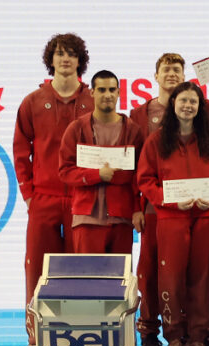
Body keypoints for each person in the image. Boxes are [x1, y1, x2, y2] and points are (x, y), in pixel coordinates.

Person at [137, 82, 209, 346]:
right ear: (173, 104)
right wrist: (168, 201)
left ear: (200, 106)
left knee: (202, 279)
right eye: (183, 101)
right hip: (170, 218)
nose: (188, 106)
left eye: (193, 101)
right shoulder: (156, 140)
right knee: (171, 279)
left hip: (204, 216)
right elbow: (145, 179)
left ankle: (198, 340)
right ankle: (175, 339)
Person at [13, 33, 94, 346]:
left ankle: (81, 337)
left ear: (79, 61)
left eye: (72, 54)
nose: (65, 59)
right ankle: (36, 340)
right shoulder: (33, 101)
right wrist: (29, 195)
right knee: (37, 270)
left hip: (82, 198)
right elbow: (21, 152)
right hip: (44, 199)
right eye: (60, 54)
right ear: (52, 59)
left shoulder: (93, 101)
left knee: (80, 270)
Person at [130, 52, 186, 346]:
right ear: (156, 76)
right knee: (149, 272)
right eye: (166, 69)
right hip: (152, 207)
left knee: (182, 274)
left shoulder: (196, 108)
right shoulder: (141, 114)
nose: (172, 74)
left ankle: (182, 334)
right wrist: (136, 207)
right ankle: (149, 334)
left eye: (177, 69)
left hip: (188, 209)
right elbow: (134, 164)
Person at [58, 70, 145, 255]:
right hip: (86, 219)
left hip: (121, 218)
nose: (108, 95)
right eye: (102, 90)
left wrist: (137, 209)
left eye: (112, 90)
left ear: (119, 92)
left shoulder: (133, 131)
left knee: (119, 280)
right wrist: (96, 175)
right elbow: (65, 171)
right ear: (92, 93)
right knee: (88, 280)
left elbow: (138, 176)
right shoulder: (76, 128)